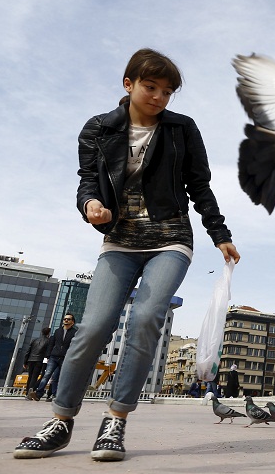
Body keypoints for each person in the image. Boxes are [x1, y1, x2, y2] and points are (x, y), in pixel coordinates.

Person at [14, 49, 241, 462]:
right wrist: (90, 206)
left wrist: (219, 233)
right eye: (151, 87)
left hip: (171, 238)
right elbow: (87, 182)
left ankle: (115, 420)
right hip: (119, 241)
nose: (158, 97)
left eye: (167, 91)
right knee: (94, 326)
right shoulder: (99, 128)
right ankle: (60, 421)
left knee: (146, 318)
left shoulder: (181, 129)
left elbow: (199, 185)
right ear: (129, 84)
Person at [28, 314, 78, 402]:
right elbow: (51, 344)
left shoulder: (75, 333)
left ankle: (55, 395)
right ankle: (38, 394)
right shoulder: (58, 331)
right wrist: (48, 355)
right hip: (54, 357)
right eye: (65, 319)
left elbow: (76, 346)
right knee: (47, 375)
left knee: (56, 378)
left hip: (65, 358)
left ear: (72, 322)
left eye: (68, 319)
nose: (66, 320)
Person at [23, 327, 51, 400]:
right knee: (35, 377)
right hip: (40, 360)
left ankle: (27, 392)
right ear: (48, 333)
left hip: (31, 360)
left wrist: (25, 362)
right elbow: (47, 353)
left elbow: (28, 351)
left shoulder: (34, 340)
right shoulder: (48, 341)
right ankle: (31, 391)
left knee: (30, 376)